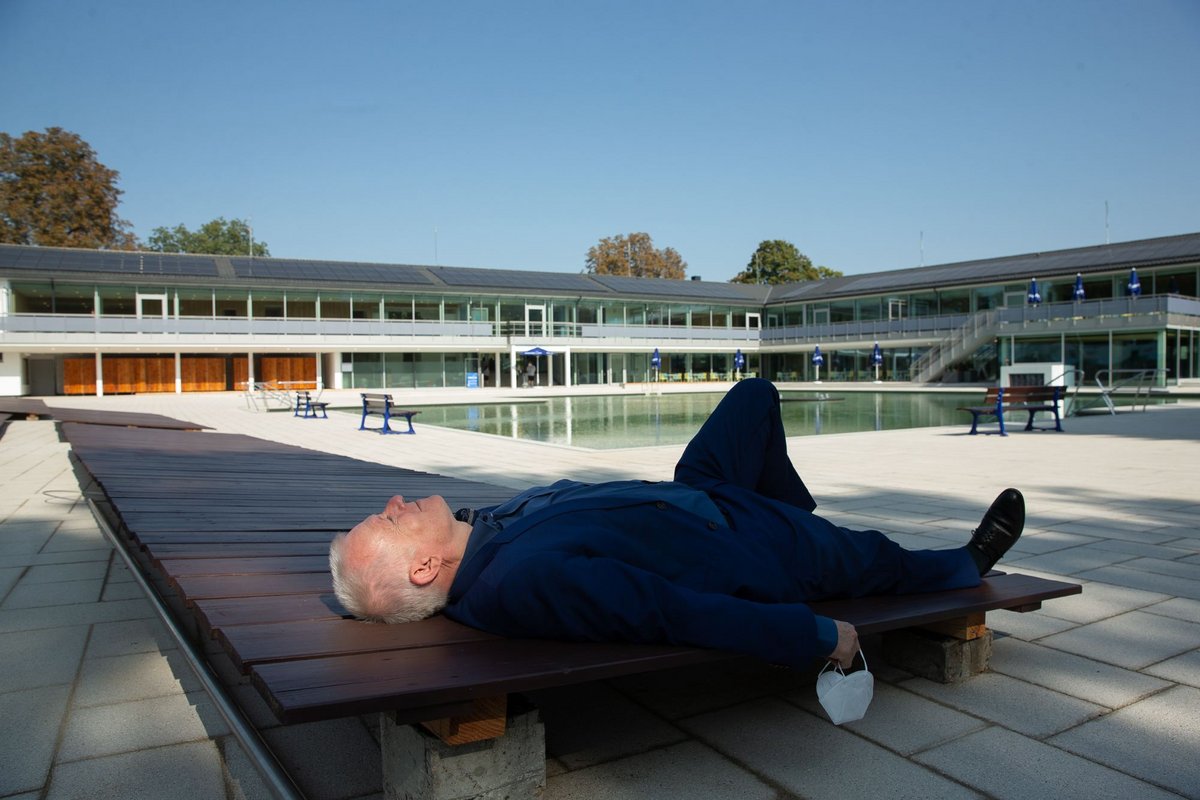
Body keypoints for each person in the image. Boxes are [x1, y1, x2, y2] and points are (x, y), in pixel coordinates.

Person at [329, 379, 1024, 668]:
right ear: (424, 568)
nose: (396, 500)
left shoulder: (483, 532)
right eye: (389, 519)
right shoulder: (519, 581)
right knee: (871, 560)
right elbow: (665, 612)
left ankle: (797, 521)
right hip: (739, 543)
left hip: (696, 494)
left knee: (754, 396)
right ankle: (959, 564)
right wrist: (813, 636)